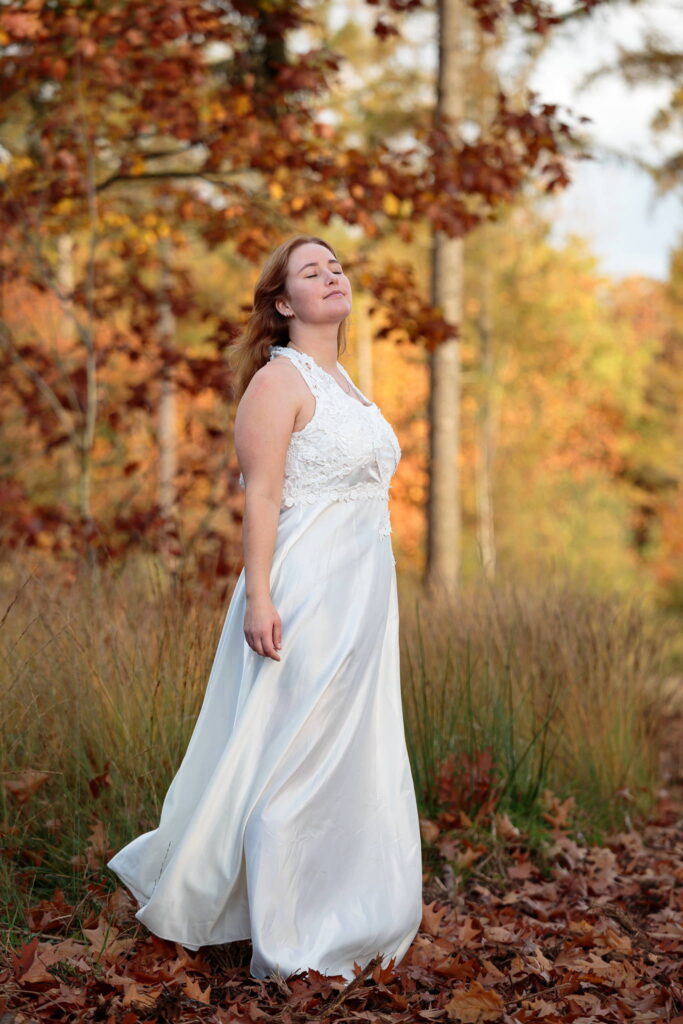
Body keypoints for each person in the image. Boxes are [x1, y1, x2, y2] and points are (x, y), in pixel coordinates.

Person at [106, 234, 423, 983]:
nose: (331, 275)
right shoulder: (277, 385)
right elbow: (264, 498)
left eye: (336, 265)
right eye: (310, 271)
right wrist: (259, 596)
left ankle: (351, 911)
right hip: (305, 592)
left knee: (352, 755)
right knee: (294, 758)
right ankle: (292, 941)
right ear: (284, 304)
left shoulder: (347, 384)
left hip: (366, 598)